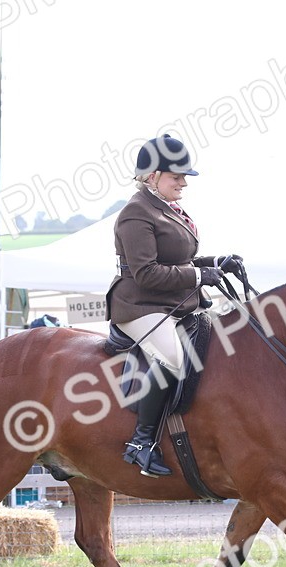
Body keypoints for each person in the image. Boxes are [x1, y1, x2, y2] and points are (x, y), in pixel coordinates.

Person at [105, 134, 243, 477]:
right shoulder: (135, 214)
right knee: (173, 356)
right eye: (176, 176)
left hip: (173, 304)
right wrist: (199, 276)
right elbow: (148, 273)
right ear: (151, 176)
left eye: (184, 176)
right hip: (140, 305)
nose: (183, 182)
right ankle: (141, 443)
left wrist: (217, 262)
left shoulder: (168, 208)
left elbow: (182, 258)